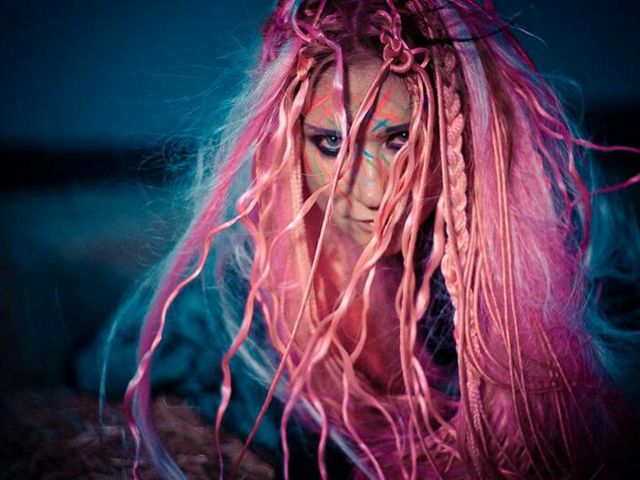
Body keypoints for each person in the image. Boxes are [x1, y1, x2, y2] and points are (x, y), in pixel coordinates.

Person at [81, 0, 640, 478]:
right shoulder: (232, 307)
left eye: (400, 139)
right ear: (284, 146)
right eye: (330, 143)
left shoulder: (563, 269)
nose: (373, 192)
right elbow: (96, 370)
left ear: (457, 133)